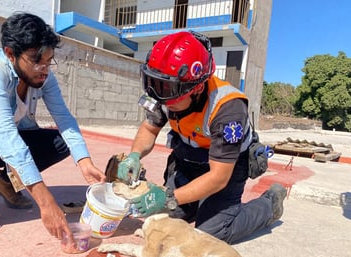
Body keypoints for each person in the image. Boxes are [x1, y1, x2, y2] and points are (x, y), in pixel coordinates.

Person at [117, 31, 287, 245]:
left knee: (210, 234)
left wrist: (169, 197)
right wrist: (134, 155)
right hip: (188, 161)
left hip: (227, 168)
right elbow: (150, 128)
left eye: (165, 88)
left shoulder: (228, 108)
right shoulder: (164, 90)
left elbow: (218, 177)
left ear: (196, 88)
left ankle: (269, 205)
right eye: (153, 82)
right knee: (160, 220)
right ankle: (197, 204)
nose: (158, 95)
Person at [0, 12, 106, 243]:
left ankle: (6, 183)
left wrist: (85, 161)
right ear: (10, 53)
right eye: (37, 60)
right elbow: (3, 132)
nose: (44, 69)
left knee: (60, 141)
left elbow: (64, 118)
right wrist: (45, 201)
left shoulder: (43, 76)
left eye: (49, 61)